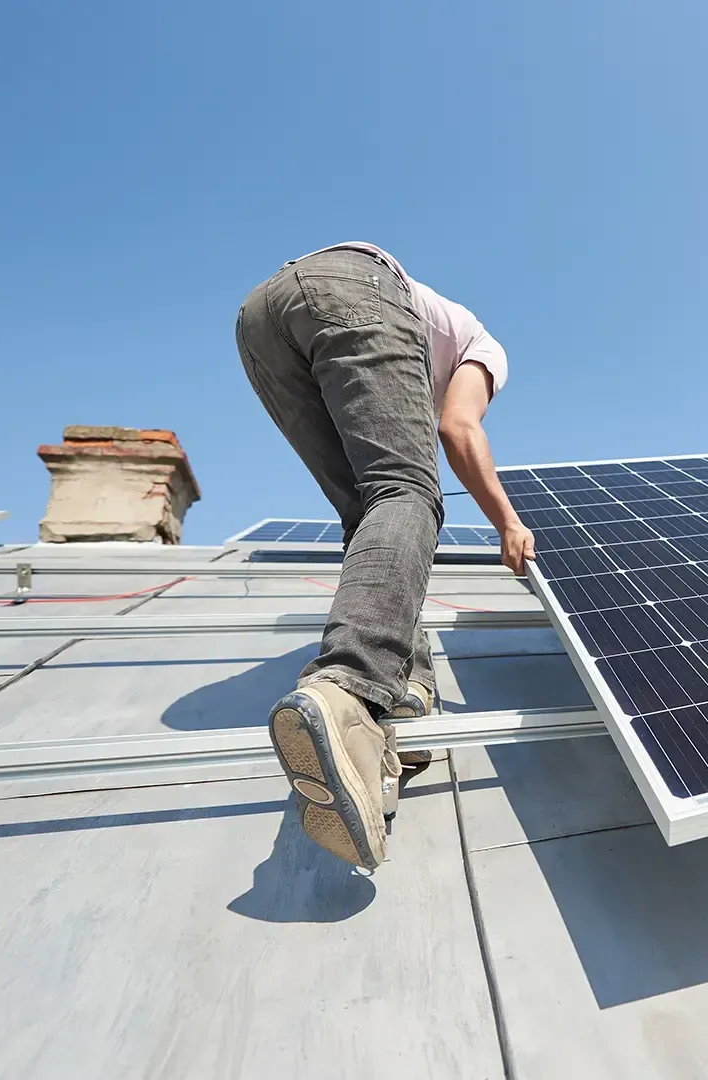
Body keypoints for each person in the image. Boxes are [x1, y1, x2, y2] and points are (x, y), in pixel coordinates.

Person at [236, 242, 534, 869]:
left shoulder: (422, 349)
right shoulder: (488, 351)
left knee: (370, 514)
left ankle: (399, 696)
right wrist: (508, 521)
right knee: (408, 493)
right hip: (356, 286)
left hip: (261, 318)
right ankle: (347, 693)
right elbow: (459, 429)